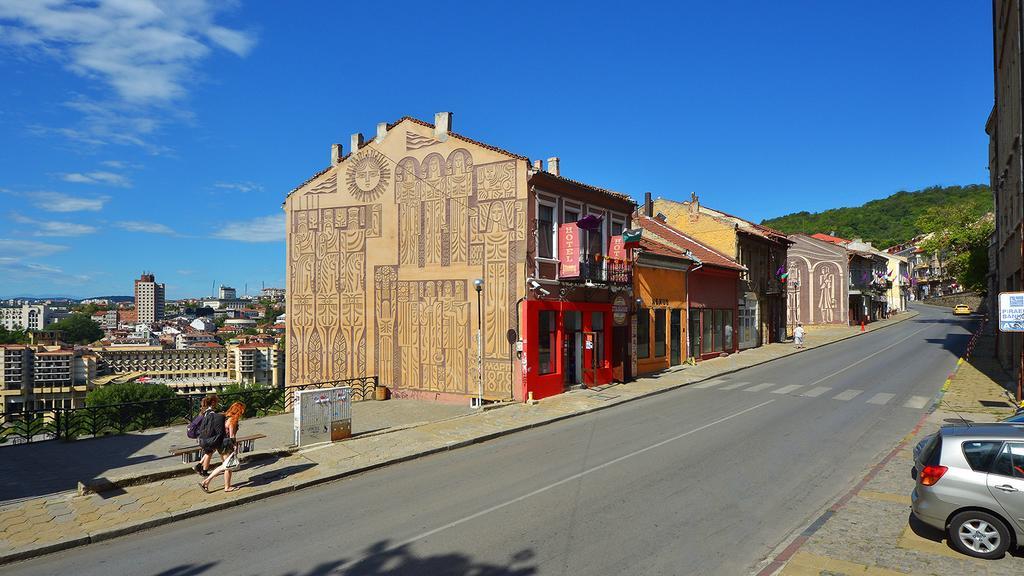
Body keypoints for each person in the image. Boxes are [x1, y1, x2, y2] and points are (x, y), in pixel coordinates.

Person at [201, 401, 246, 493]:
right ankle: (208, 481)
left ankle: (225, 485)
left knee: (226, 466)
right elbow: (232, 435)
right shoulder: (232, 420)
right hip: (226, 444)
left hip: (220, 443)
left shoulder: (225, 417)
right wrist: (235, 446)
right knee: (227, 467)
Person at [193, 394, 220, 477]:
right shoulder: (210, 413)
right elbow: (211, 426)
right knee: (209, 453)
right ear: (213, 402)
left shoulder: (204, 411)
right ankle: (204, 471)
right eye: (216, 402)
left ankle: (199, 466)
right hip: (206, 437)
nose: (217, 403)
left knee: (210, 452)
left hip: (201, 436)